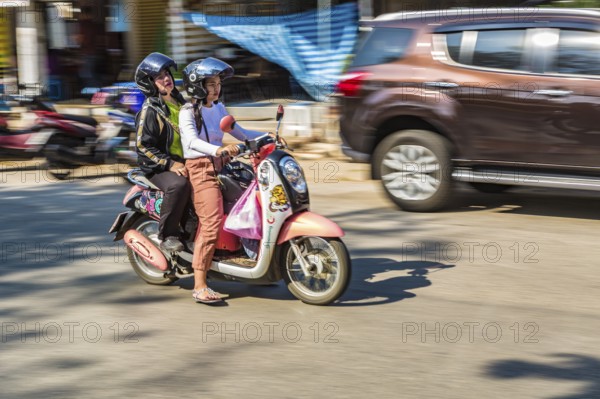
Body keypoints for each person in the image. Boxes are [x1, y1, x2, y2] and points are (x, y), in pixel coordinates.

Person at [179, 57, 266, 304]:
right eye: (210, 84)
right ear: (197, 85)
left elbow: (242, 133)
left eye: (218, 83)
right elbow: (191, 142)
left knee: (253, 201)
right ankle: (199, 284)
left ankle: (253, 257)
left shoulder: (219, 108)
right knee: (212, 220)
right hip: (201, 169)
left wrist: (269, 137)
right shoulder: (188, 111)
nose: (216, 88)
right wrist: (217, 150)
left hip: (223, 165)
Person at [134, 52, 190, 252]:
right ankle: (168, 235)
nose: (166, 79)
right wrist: (170, 164)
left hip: (185, 160)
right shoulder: (150, 110)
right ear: (150, 83)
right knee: (179, 185)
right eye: (159, 77)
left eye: (167, 74)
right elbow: (142, 146)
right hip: (158, 167)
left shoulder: (180, 101)